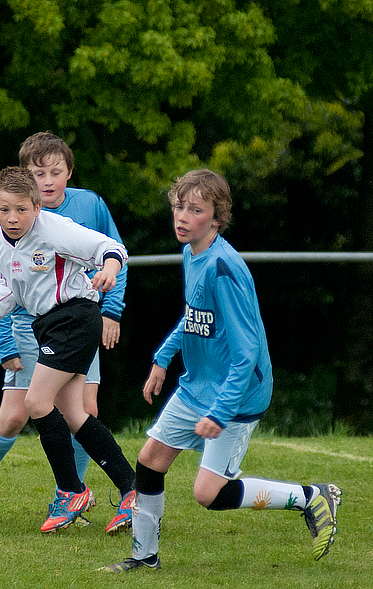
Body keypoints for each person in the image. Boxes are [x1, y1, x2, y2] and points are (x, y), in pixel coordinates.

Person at [102, 169, 342, 572]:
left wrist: (221, 411)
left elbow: (246, 353)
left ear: (217, 217)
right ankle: (144, 559)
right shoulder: (192, 252)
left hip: (238, 393)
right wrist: (163, 359)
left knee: (208, 494)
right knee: (150, 459)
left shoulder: (225, 269)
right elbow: (194, 314)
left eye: (195, 210)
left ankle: (311, 496)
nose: (182, 216)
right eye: (179, 206)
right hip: (198, 386)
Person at [0, 133, 135, 534]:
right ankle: (134, 491)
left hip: (76, 317)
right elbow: (5, 288)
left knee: (36, 402)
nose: (12, 217)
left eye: (21, 210)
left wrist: (110, 270)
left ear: (36, 207)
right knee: (74, 414)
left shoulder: (55, 228)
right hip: (46, 323)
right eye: (4, 209)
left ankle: (71, 490)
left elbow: (110, 247)